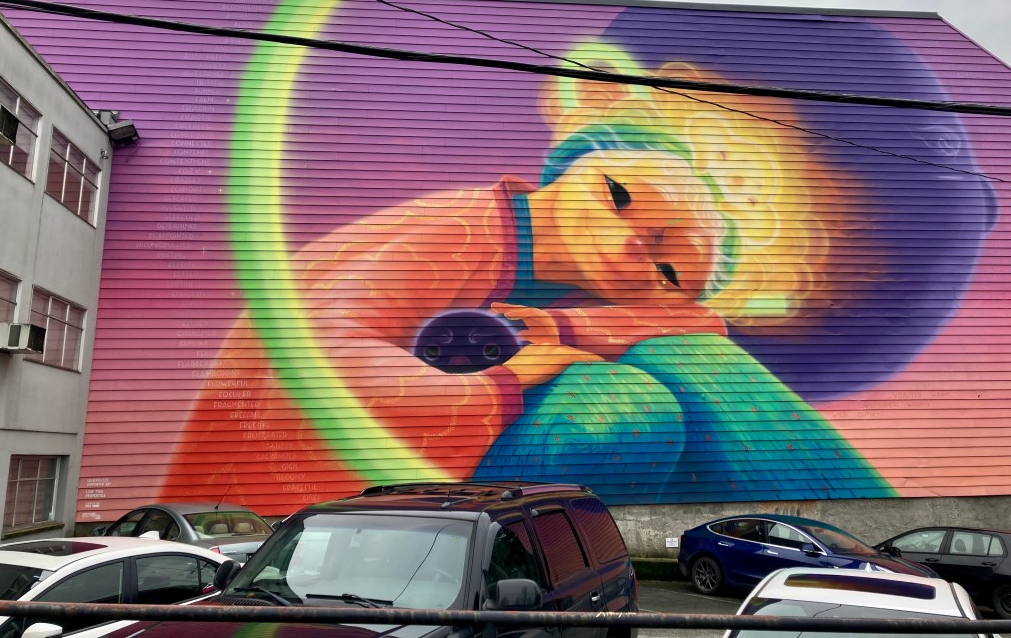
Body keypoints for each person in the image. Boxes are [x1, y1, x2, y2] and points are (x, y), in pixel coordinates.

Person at [160, 122, 893, 510]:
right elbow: (317, 366)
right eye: (619, 197)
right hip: (304, 497)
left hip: (408, 482)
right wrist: (508, 381)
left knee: (678, 360)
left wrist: (569, 331)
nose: (629, 242)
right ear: (566, 167)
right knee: (619, 405)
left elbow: (698, 326)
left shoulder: (529, 269)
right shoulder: (462, 232)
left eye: (667, 270)